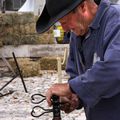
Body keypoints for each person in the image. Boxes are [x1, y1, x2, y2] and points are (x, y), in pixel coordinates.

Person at [36, 0, 120, 119]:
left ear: (83, 7)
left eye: (65, 22)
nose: (64, 29)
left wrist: (70, 87)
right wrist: (75, 97)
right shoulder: (77, 33)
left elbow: (115, 69)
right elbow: (76, 74)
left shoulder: (116, 20)